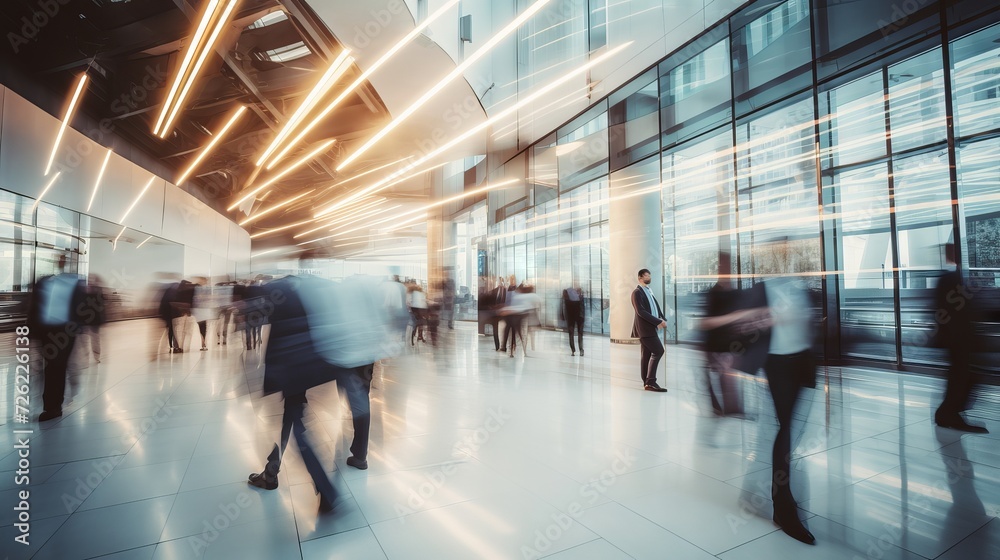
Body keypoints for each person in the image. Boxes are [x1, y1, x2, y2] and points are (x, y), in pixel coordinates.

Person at [246, 273, 337, 512]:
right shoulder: (306, 290)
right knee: (291, 421)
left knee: (297, 429)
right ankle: (271, 470)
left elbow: (256, 318)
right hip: (305, 367)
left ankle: (326, 490)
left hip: (290, 369)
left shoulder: (279, 290)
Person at [763, 272, 816, 545]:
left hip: (802, 360)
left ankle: (783, 501)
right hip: (779, 364)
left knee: (790, 431)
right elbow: (754, 323)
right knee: (785, 431)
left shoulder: (798, 284)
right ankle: (783, 507)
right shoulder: (763, 287)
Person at [27, 255, 89, 421]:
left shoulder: (77, 283)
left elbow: (84, 307)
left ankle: (53, 407)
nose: (62, 262)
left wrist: (79, 327)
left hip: (65, 331)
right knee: (50, 367)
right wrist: (30, 331)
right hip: (45, 330)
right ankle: (52, 403)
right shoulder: (44, 282)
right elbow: (34, 306)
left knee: (56, 366)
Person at [934, 243, 988, 433]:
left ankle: (947, 413)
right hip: (958, 338)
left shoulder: (953, 277)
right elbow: (950, 311)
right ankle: (948, 413)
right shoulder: (951, 278)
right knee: (963, 375)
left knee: (963, 375)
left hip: (959, 337)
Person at [631, 268, 668, 392]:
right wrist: (658, 321)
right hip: (645, 329)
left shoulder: (648, 291)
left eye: (649, 275)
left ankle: (646, 381)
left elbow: (655, 306)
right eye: (646, 276)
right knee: (658, 351)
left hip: (650, 328)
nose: (648, 277)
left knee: (646, 355)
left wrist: (662, 318)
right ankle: (651, 381)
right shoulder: (637, 292)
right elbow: (641, 312)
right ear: (640, 278)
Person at [563, 282, 585, 356]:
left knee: (572, 333)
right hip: (577, 316)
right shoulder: (578, 295)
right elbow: (582, 307)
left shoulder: (569, 296)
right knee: (579, 333)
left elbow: (565, 307)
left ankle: (574, 350)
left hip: (573, 317)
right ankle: (579, 350)